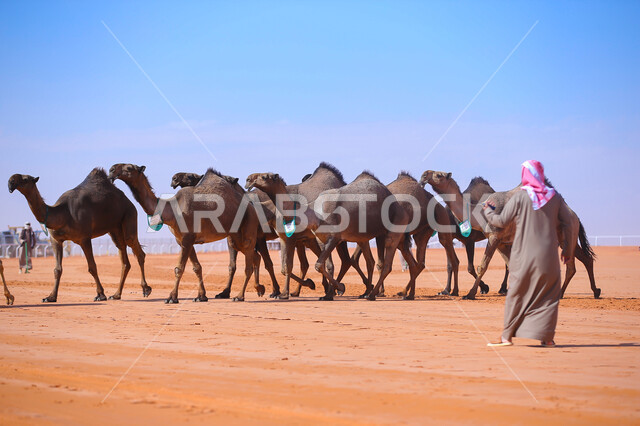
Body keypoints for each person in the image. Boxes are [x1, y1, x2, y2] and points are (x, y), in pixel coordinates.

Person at [483, 160, 573, 348]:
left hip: (523, 256)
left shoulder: (520, 198)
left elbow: (500, 221)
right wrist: (567, 250)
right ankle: (547, 339)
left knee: (516, 294)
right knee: (548, 297)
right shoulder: (555, 197)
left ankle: (507, 337)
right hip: (549, 257)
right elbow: (569, 223)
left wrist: (488, 211)